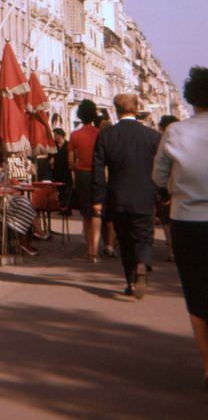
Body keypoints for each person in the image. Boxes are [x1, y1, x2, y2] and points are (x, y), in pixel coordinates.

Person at [153, 66, 208, 389]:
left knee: (196, 293)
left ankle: (207, 365)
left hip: (187, 219)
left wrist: (171, 189)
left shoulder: (175, 132)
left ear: (191, 97)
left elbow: (158, 176)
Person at [91, 93, 160, 298]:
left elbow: (97, 171)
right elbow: (161, 168)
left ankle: (130, 281)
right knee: (144, 235)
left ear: (116, 110)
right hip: (145, 194)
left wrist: (98, 199)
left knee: (124, 239)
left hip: (118, 195)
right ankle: (142, 263)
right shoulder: (152, 136)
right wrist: (162, 192)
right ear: (136, 109)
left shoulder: (107, 135)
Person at [69, 100, 102, 262]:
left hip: (82, 174)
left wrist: (77, 166)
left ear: (80, 115)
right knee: (97, 211)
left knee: (85, 212)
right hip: (98, 174)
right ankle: (95, 250)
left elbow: (70, 162)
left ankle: (89, 248)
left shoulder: (75, 135)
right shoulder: (100, 134)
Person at [155, 115, 179, 262]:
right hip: (182, 188)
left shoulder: (161, 142)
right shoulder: (184, 141)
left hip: (167, 187)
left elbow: (158, 170)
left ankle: (171, 250)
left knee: (166, 220)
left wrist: (162, 190)